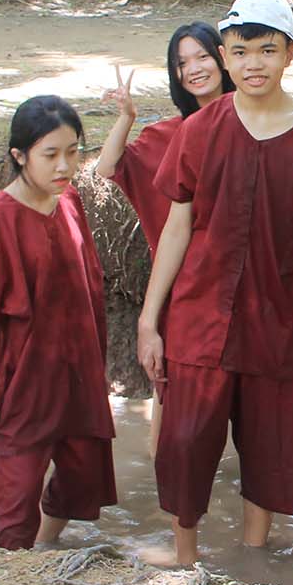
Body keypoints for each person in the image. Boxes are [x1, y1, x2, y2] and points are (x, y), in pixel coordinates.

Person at [137, 0, 293, 566]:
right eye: (240, 51)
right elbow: (178, 225)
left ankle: (253, 561)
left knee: (268, 449)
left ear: (287, 57)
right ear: (225, 60)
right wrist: (148, 319)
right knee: (183, 441)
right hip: (199, 315)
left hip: (276, 317)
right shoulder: (201, 129)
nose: (253, 62)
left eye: (267, 49)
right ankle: (185, 563)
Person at [0, 96, 117, 550]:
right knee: (14, 498)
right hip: (22, 381)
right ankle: (13, 570)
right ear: (19, 156)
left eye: (73, 152)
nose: (65, 166)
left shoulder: (68, 200)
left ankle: (45, 552)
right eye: (50, 155)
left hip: (77, 375)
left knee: (83, 477)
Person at [95, 23, 235, 456]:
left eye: (201, 57)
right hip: (182, 289)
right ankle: (166, 498)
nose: (193, 69)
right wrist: (127, 118)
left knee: (231, 400)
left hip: (240, 284)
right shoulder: (168, 135)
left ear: (223, 57)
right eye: (181, 63)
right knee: (170, 397)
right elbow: (108, 168)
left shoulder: (256, 122)